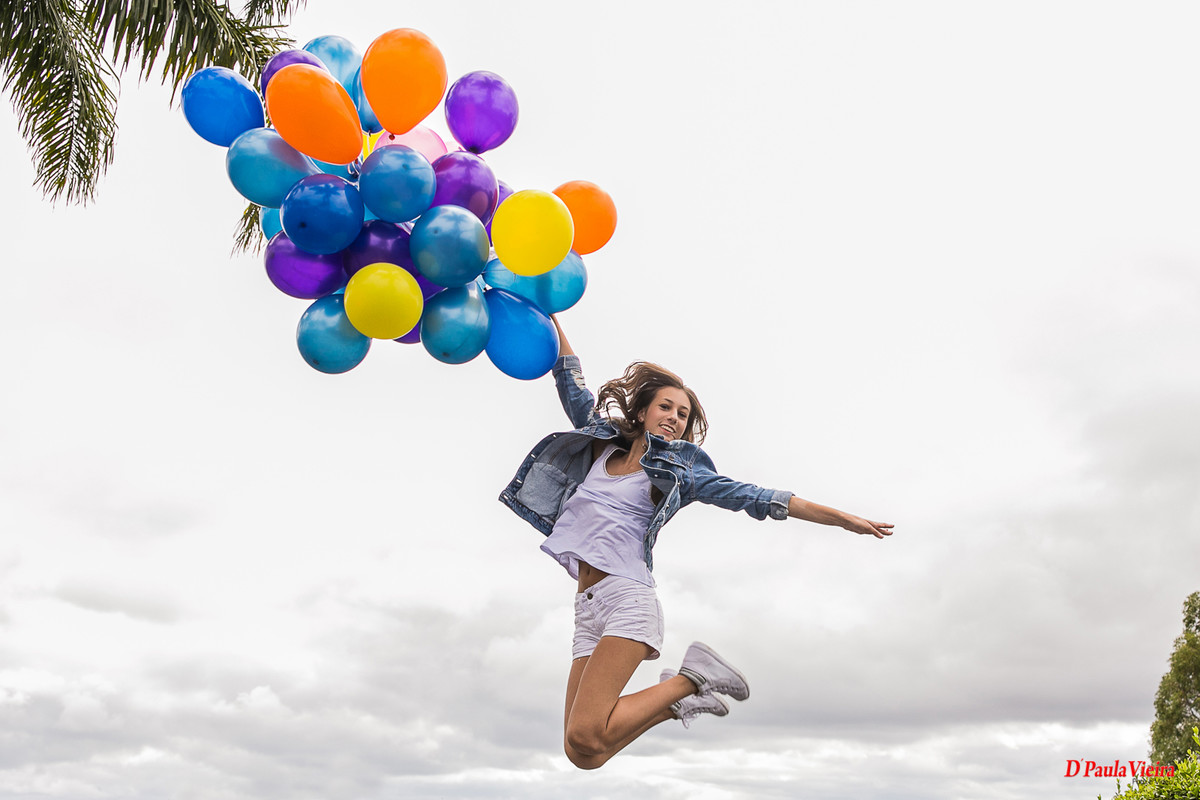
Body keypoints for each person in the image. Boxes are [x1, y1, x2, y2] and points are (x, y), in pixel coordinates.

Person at [499, 317, 894, 770]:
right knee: (582, 752)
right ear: (643, 411)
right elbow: (569, 378)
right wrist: (548, 313)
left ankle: (692, 678)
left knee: (588, 731)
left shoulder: (682, 473)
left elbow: (756, 496)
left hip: (626, 598)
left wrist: (841, 518)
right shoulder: (600, 443)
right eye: (665, 407)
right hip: (587, 608)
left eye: (682, 414)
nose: (673, 418)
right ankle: (676, 703)